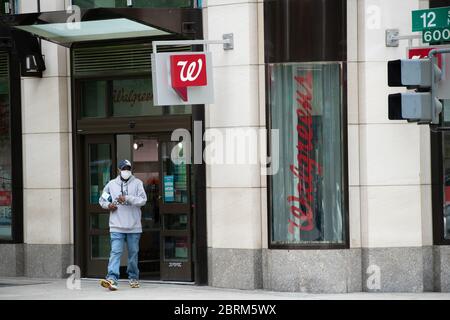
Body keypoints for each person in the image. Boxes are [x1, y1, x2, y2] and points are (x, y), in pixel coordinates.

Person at [98, 159, 147, 291]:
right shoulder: (111, 185)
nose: (126, 171)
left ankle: (133, 277)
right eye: (124, 168)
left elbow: (143, 200)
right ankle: (112, 279)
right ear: (119, 170)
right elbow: (102, 199)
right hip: (116, 225)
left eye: (128, 168)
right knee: (115, 252)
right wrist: (109, 205)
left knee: (133, 253)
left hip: (134, 226)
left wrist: (128, 198)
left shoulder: (137, 183)